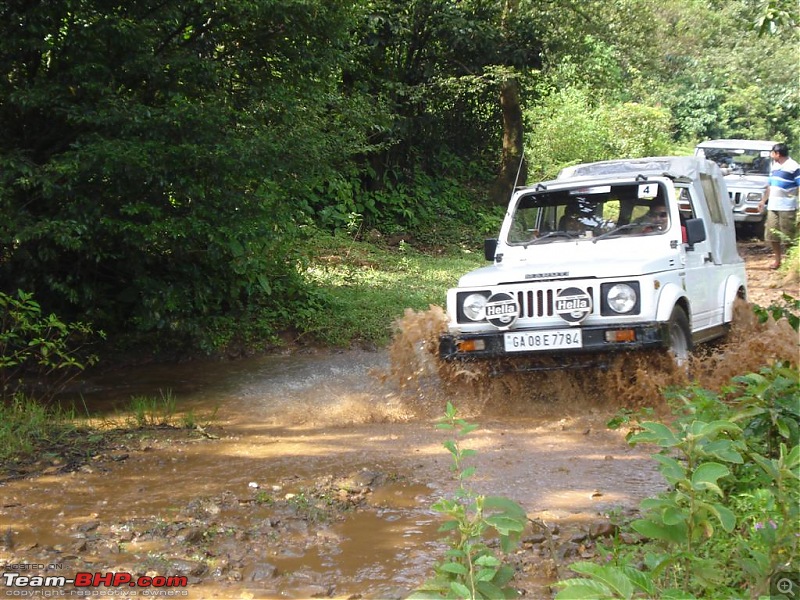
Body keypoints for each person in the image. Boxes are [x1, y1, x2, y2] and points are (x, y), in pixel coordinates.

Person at [759, 143, 800, 269]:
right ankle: (777, 260)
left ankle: (791, 262)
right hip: (773, 205)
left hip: (787, 206)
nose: (771, 155)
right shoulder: (774, 166)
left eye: (772, 153)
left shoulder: (793, 167)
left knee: (788, 235)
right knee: (772, 234)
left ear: (778, 154)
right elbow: (770, 186)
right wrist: (763, 201)